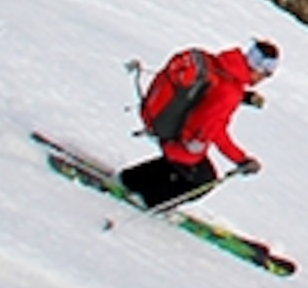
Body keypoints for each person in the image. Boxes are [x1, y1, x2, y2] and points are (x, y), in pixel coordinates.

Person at [119, 39, 278, 209]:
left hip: (173, 126)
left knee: (184, 167)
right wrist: (241, 159)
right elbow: (215, 128)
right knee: (203, 181)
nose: (265, 79)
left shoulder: (225, 66)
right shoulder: (231, 92)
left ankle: (131, 180)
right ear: (258, 68)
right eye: (267, 74)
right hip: (184, 139)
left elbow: (212, 94)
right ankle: (150, 201)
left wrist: (244, 97)